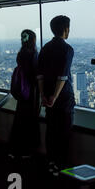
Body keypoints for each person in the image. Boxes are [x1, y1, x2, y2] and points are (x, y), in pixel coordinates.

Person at [37, 15, 75, 176]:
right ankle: (62, 167)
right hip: (63, 99)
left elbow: (39, 75)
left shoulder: (45, 48)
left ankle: (51, 163)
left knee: (51, 131)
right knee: (64, 133)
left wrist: (44, 96)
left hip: (47, 97)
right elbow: (63, 76)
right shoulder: (67, 49)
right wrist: (55, 96)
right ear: (66, 29)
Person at [9, 29, 40, 159]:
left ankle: (15, 149)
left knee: (20, 119)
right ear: (33, 39)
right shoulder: (33, 54)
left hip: (22, 92)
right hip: (31, 92)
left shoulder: (21, 53)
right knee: (30, 120)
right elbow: (35, 74)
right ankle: (26, 150)